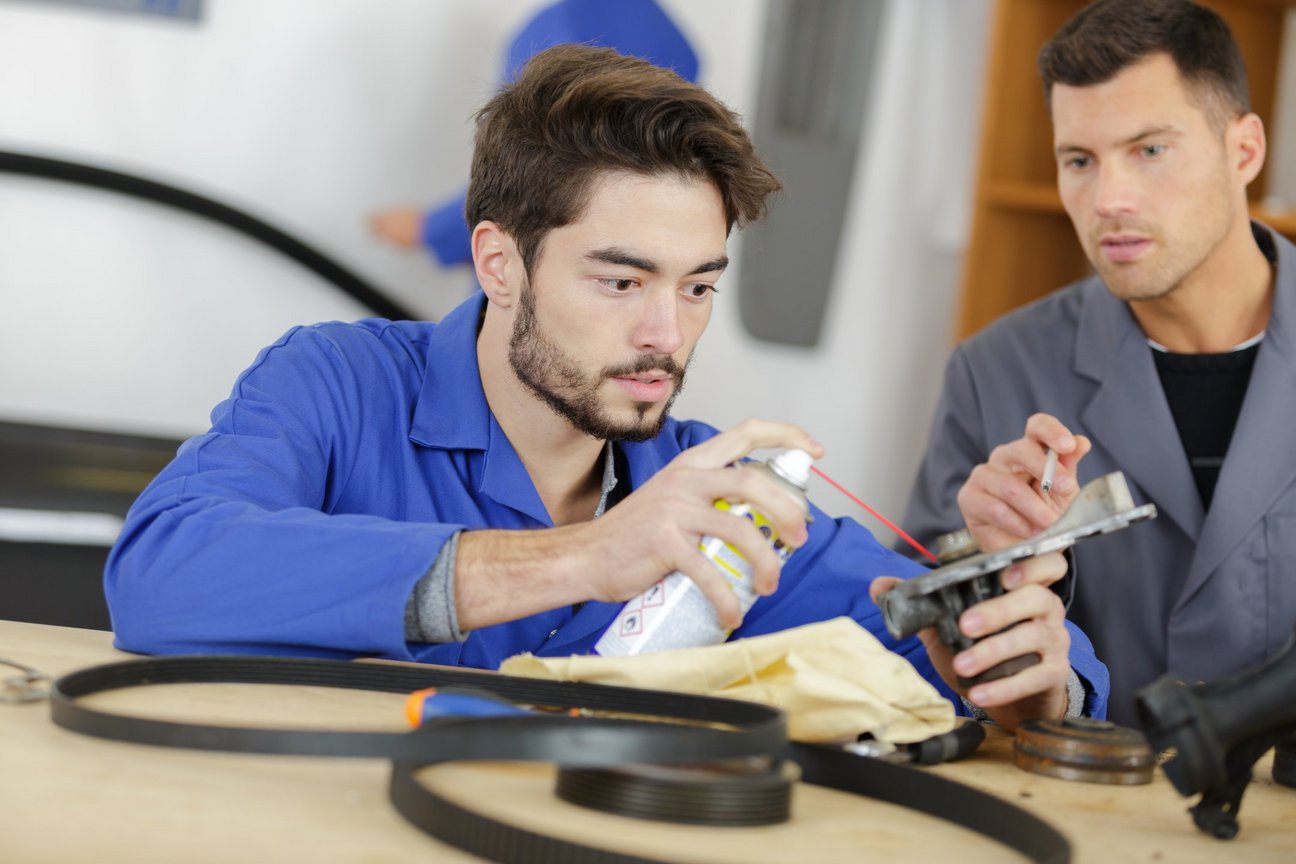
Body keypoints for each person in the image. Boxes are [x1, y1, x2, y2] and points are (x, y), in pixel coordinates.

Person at [106, 44, 1107, 730]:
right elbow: (158, 577)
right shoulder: (335, 384)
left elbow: (933, 633)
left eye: (699, 286)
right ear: (499, 264)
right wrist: (587, 556)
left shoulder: (713, 496)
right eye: (620, 281)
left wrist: (1012, 655)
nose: (664, 337)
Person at [901, 0, 1294, 725]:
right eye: (1079, 161)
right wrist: (997, 588)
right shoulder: (993, 372)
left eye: (1149, 150)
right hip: (1082, 812)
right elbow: (933, 656)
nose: (1108, 200)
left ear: (1244, 151)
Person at [369, 0, 699, 267]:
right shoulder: (673, 37)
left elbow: (533, 169)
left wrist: (430, 231)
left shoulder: (559, 30)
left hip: (549, 272)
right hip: (635, 259)